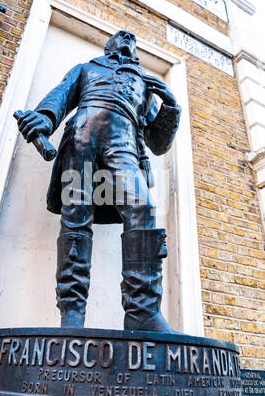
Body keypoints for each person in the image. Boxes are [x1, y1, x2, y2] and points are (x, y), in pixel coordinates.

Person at [17, 30, 181, 332]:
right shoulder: (87, 67)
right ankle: (72, 314)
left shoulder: (144, 83)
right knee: (75, 217)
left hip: (124, 144)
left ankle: (142, 311)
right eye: (121, 35)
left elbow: (158, 143)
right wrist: (44, 117)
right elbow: (61, 95)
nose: (128, 36)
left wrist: (170, 107)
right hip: (82, 138)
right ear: (108, 46)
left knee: (142, 207)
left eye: (133, 37)